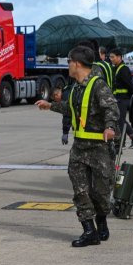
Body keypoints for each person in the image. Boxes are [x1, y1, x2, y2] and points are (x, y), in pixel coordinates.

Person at [35, 45, 119, 247]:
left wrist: (109, 127)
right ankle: (89, 230)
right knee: (80, 190)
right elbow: (71, 108)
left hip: (100, 148)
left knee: (100, 193)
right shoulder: (75, 88)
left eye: (69, 61)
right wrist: (51, 105)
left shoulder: (98, 86)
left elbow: (111, 108)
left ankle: (101, 221)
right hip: (80, 148)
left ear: (77, 64)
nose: (68, 65)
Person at [109, 48, 133, 147]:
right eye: (110, 57)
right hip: (119, 99)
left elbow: (130, 86)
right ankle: (132, 137)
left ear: (119, 57)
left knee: (120, 120)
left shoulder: (123, 69)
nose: (111, 59)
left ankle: (122, 143)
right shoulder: (116, 68)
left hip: (123, 99)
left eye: (113, 57)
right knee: (120, 119)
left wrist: (129, 98)